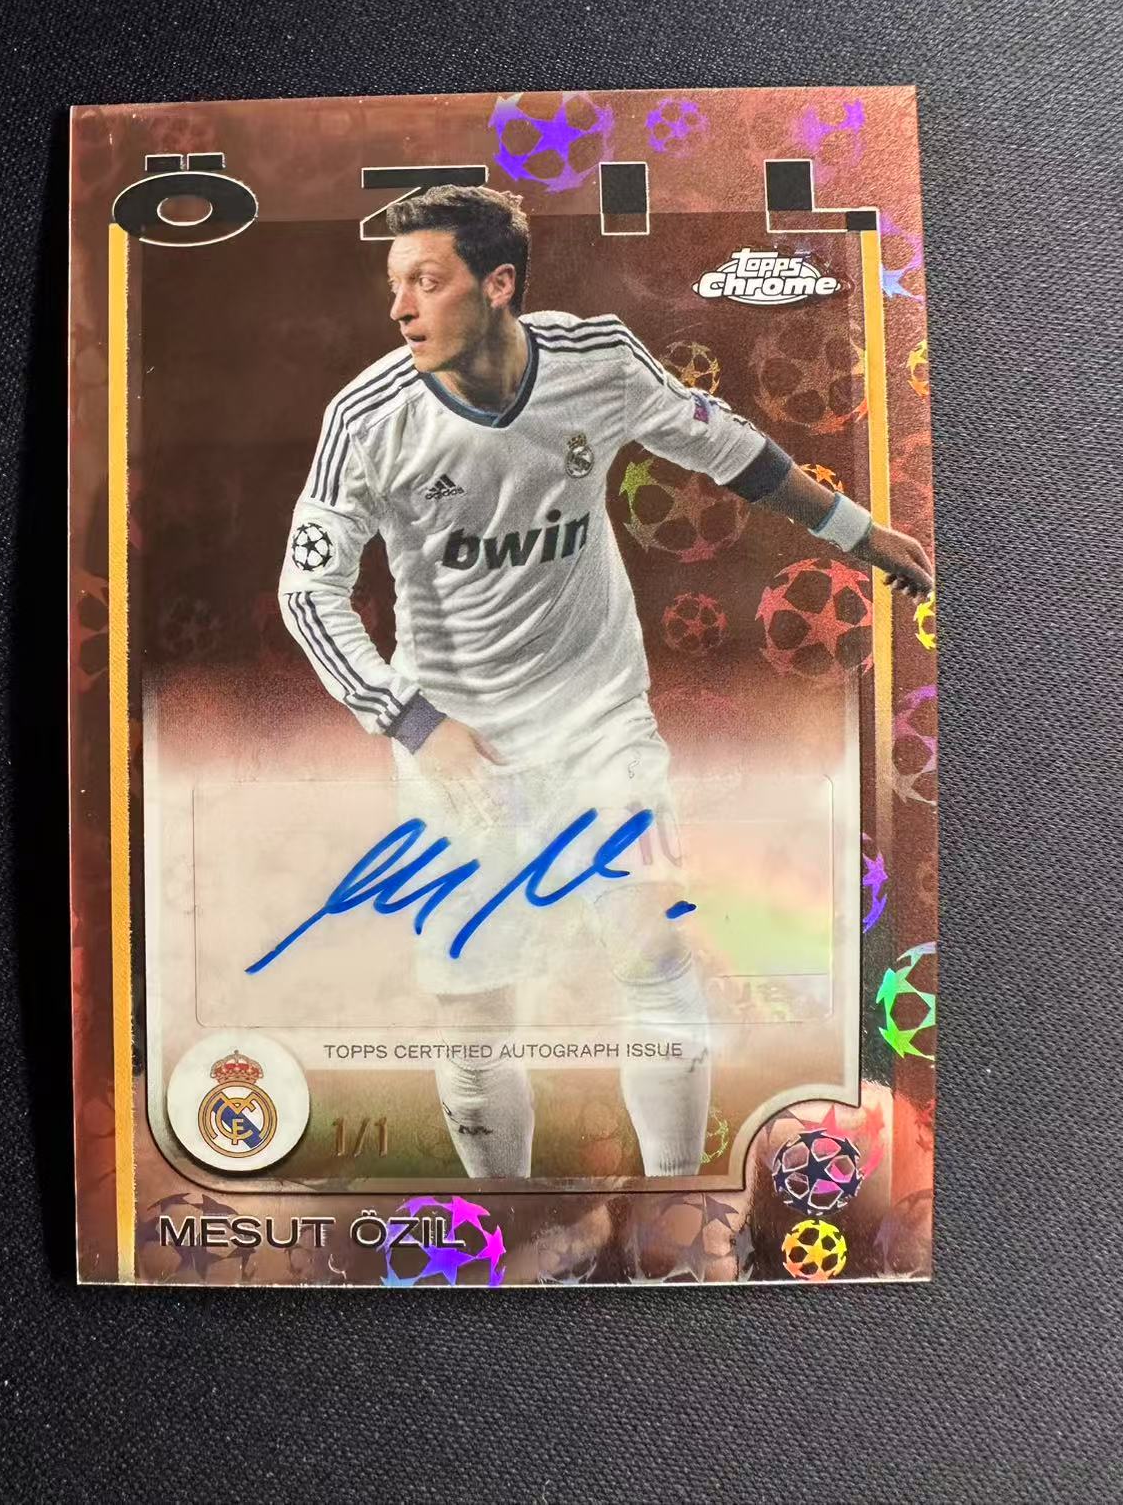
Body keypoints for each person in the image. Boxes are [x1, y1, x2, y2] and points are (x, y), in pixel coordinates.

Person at [279, 185, 932, 1180]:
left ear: (498, 284)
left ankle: (675, 1197)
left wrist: (858, 530)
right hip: (457, 746)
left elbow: (728, 448)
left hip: (598, 720)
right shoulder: (367, 417)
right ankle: (502, 1218)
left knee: (652, 946)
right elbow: (307, 591)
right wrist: (411, 721)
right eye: (394, 284)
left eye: (426, 281)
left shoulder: (596, 361)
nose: (400, 308)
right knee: (472, 1010)